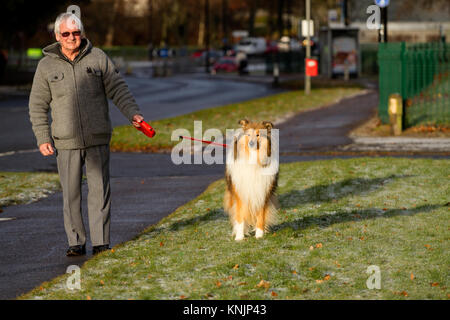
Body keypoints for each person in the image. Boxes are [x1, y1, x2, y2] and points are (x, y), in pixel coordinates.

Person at [28, 13, 144, 256]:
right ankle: (76, 242)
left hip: (97, 137)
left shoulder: (98, 57)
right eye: (67, 34)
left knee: (100, 191)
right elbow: (37, 105)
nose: (72, 38)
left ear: (82, 33)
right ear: (58, 36)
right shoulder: (46, 65)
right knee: (71, 194)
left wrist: (133, 114)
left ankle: (101, 242)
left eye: (76, 32)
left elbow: (118, 89)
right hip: (65, 141)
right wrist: (43, 137)